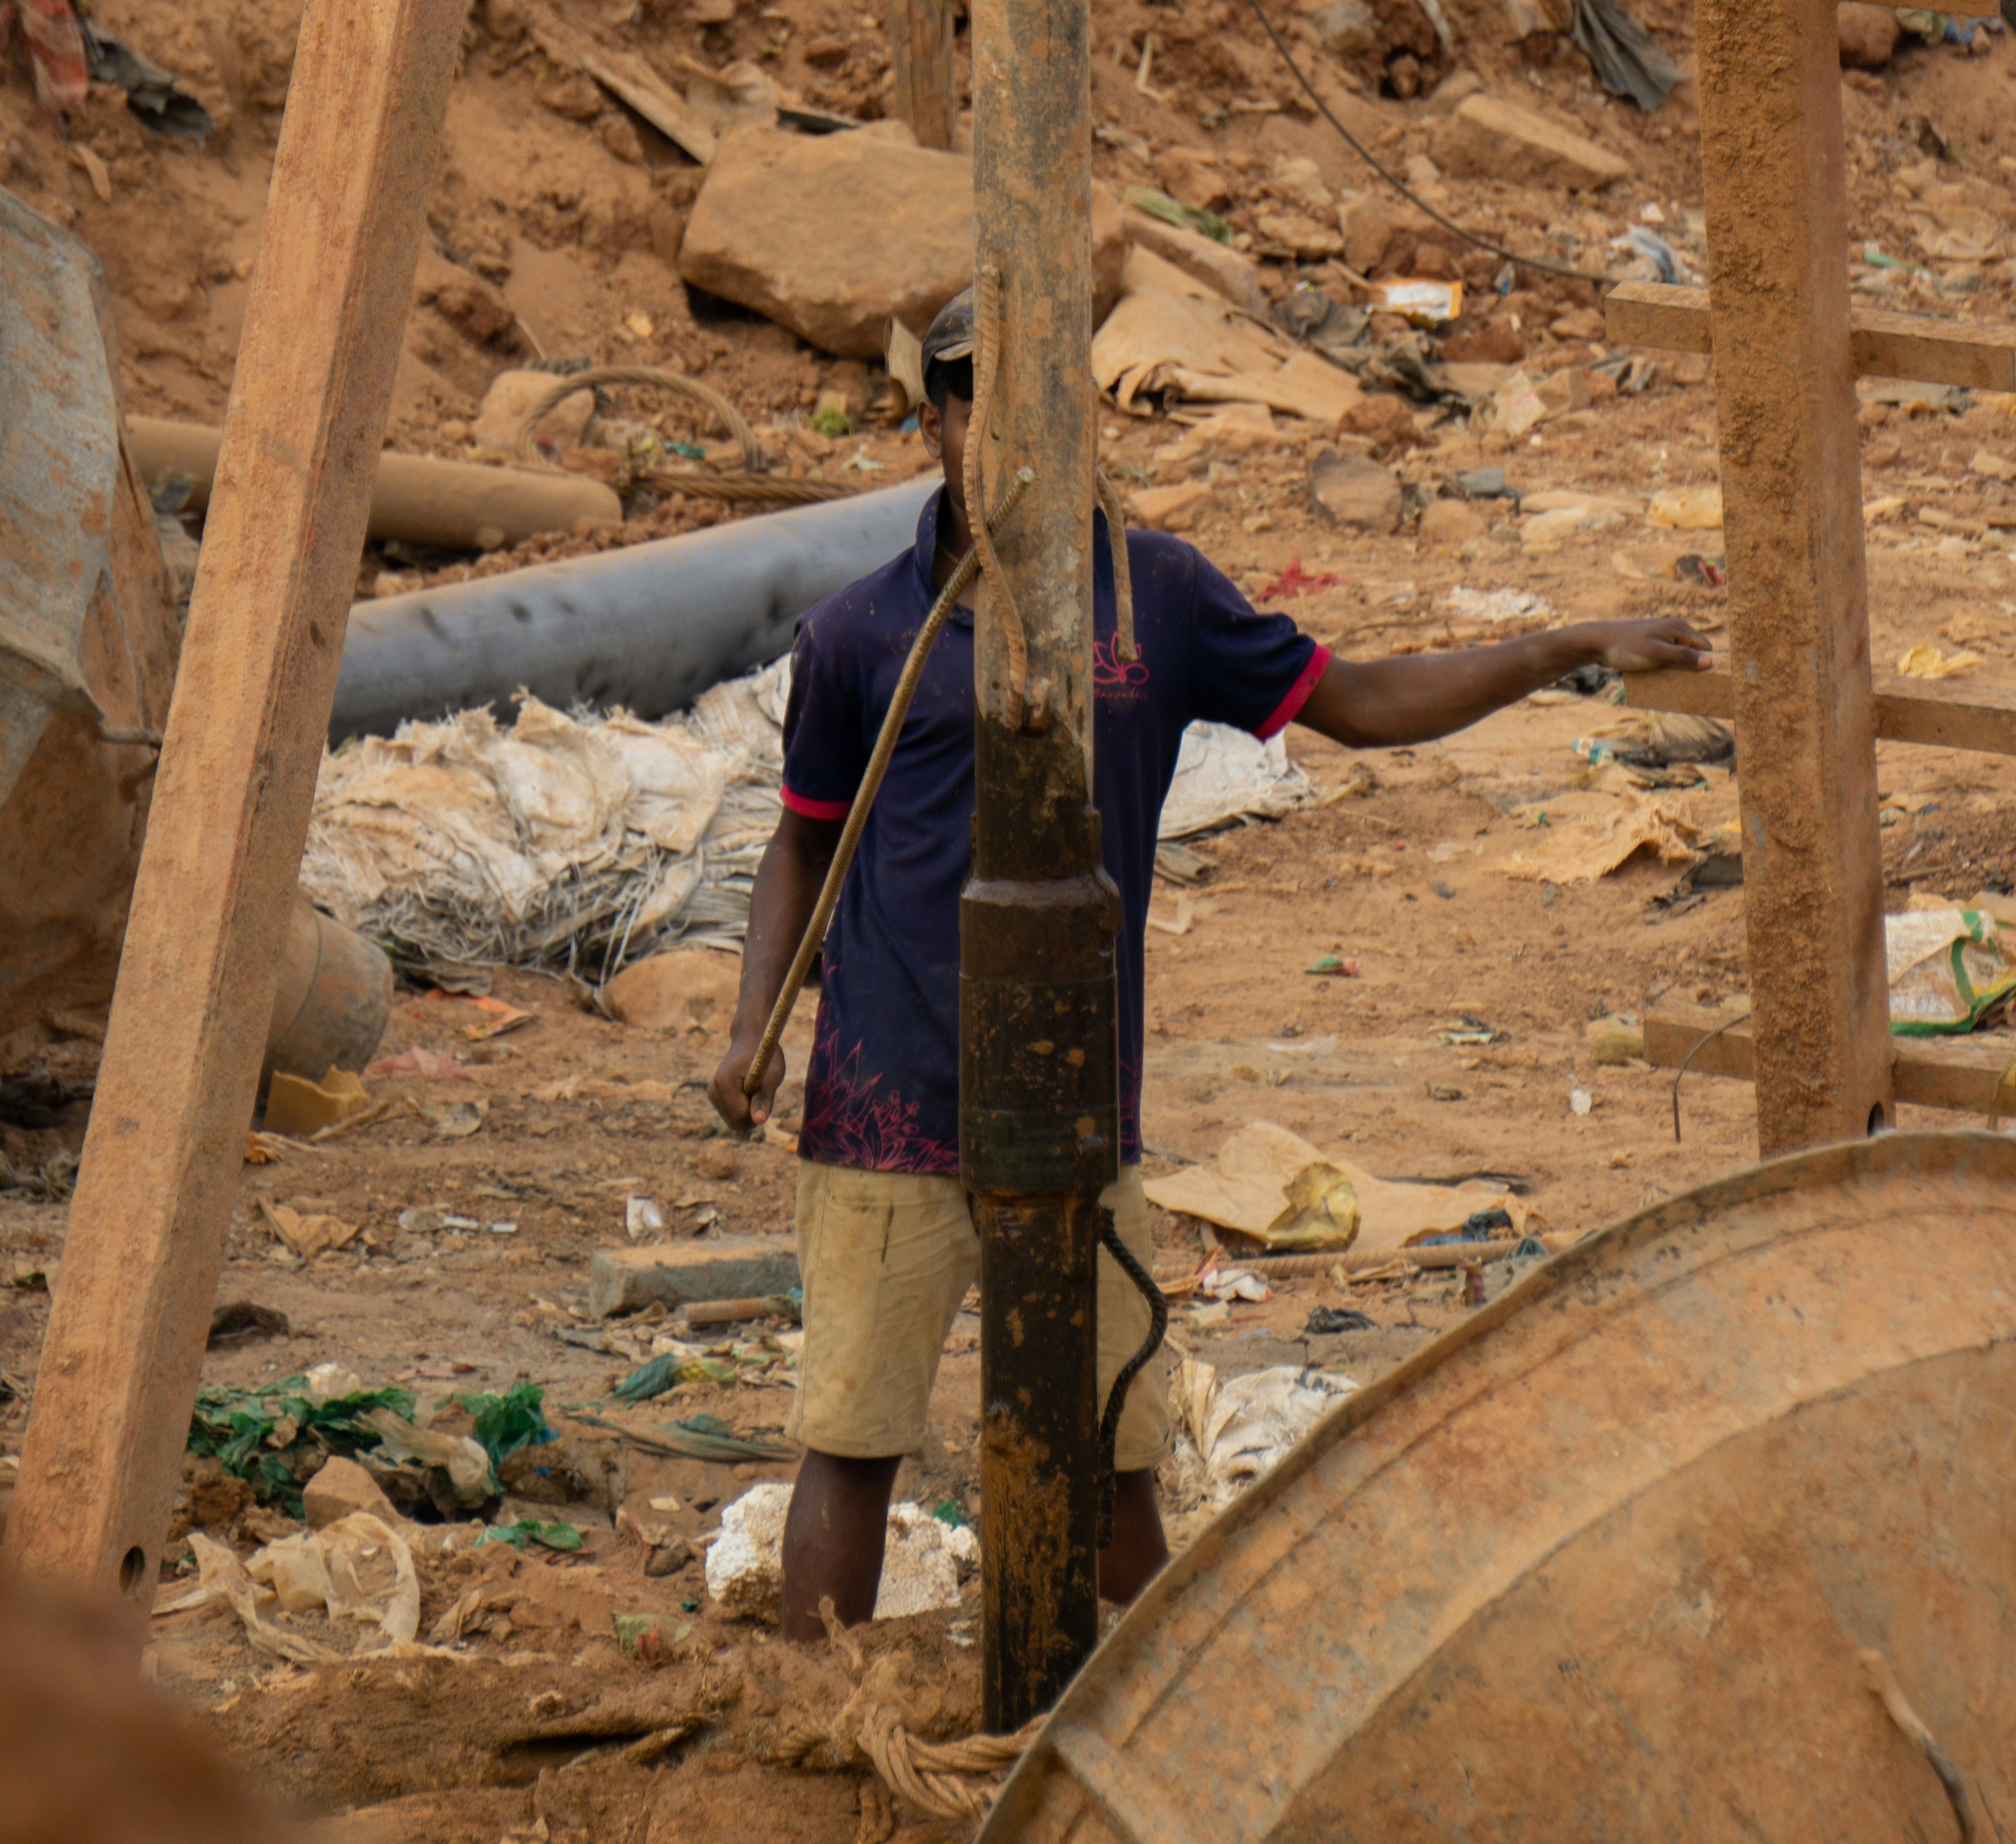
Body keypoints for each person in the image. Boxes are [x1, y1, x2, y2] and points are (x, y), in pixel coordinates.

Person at [710, 290, 1711, 1638]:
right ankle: (806, 1713)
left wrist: (1563, 647)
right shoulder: (859, 634)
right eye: (972, 404)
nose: (1004, 434)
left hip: (1076, 1105)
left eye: (1036, 403)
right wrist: (750, 1028)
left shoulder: (1156, 600)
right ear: (932, 420)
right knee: (853, 1439)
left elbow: (1358, 702)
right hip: (889, 1100)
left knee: (1112, 1455)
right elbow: (803, 841)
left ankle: (1138, 1712)